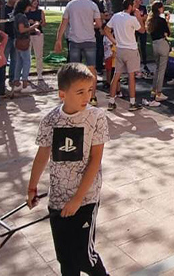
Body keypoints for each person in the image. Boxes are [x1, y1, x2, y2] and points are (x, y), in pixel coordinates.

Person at [27, 64, 109, 276]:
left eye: (90, 90)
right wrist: (32, 187)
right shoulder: (50, 120)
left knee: (84, 256)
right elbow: (42, 154)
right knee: (65, 258)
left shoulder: (97, 117)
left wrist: (77, 199)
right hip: (58, 198)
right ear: (62, 94)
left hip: (86, 198)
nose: (87, 96)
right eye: (80, 92)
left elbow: (95, 160)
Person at [107, 0, 151, 111]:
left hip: (120, 49)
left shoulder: (116, 16)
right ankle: (132, 103)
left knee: (116, 75)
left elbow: (106, 29)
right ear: (130, 6)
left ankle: (111, 101)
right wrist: (138, 17)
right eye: (134, 5)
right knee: (131, 76)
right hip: (131, 49)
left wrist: (114, 41)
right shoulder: (132, 19)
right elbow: (142, 30)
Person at [54, 0, 103, 78]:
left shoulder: (70, 4)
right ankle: (92, 92)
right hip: (90, 40)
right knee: (92, 69)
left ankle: (76, 90)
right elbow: (99, 24)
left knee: (75, 69)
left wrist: (58, 39)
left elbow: (63, 23)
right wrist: (91, 25)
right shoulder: (92, 5)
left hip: (74, 40)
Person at [12, 0, 40, 95]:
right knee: (26, 62)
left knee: (19, 62)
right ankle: (24, 84)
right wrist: (34, 26)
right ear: (25, 6)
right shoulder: (22, 17)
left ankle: (16, 83)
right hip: (23, 41)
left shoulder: (17, 15)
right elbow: (22, 30)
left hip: (17, 41)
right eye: (29, 6)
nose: (30, 8)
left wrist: (32, 29)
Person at [147, 0, 171, 102]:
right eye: (162, 7)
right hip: (162, 44)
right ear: (159, 9)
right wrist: (167, 20)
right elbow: (168, 33)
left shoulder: (151, 20)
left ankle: (154, 90)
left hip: (154, 45)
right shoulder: (162, 21)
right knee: (161, 70)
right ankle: (159, 92)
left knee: (157, 68)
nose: (163, 9)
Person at [26, 0, 47, 88]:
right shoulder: (26, 12)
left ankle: (39, 74)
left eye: (36, 1)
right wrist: (29, 22)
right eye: (33, 1)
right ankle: (25, 74)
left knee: (39, 55)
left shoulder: (40, 11)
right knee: (27, 55)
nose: (35, 2)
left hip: (38, 35)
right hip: (28, 34)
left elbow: (44, 23)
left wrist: (40, 23)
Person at [1, 0, 20, 90]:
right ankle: (1, 79)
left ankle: (12, 79)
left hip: (16, 37)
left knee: (15, 59)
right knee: (4, 58)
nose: (17, 0)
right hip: (6, 37)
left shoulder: (18, 9)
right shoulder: (3, 9)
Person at [132, 0, 150, 75]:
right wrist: (139, 18)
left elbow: (145, 17)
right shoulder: (132, 8)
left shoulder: (143, 7)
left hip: (142, 28)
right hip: (133, 30)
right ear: (135, 0)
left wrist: (138, 18)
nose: (141, 1)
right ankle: (134, 64)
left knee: (143, 46)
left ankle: (145, 63)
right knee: (134, 46)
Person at [101, 25, 116, 101]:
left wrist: (112, 54)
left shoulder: (109, 38)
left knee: (110, 69)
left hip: (110, 55)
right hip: (106, 55)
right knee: (107, 69)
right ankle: (108, 81)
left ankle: (110, 82)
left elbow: (111, 46)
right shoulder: (104, 37)